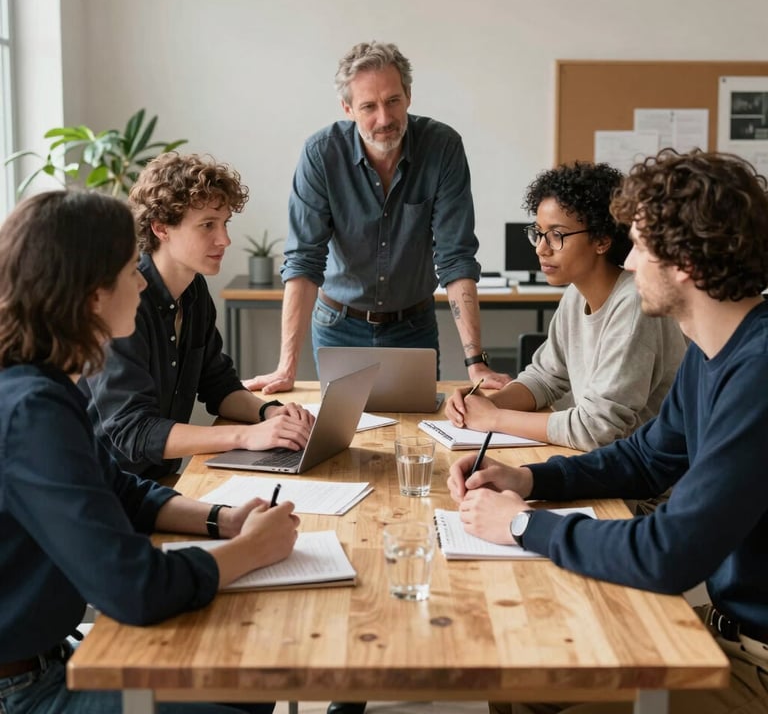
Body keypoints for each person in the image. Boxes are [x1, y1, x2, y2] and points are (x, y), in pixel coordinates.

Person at [447, 150, 768, 714]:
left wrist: (521, 525)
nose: (630, 257)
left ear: (686, 262)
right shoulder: (714, 351)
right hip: (722, 626)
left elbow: (669, 552)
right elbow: (644, 460)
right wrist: (524, 478)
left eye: (641, 244)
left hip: (755, 664)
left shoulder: (759, 372)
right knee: (519, 684)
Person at [0, 189, 300, 713]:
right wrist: (253, 550)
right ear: (92, 294)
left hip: (52, 657)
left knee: (250, 683)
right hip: (24, 691)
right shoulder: (31, 413)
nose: (140, 280)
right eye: (127, 270)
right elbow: (134, 588)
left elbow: (122, 491)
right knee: (247, 687)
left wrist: (224, 521)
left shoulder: (44, 384)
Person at [243, 41, 511, 397]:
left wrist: (475, 362)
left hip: (413, 326)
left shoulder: (442, 147)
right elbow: (304, 262)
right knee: (342, 435)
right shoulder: (321, 154)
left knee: (416, 440)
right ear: (348, 108)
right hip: (338, 325)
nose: (384, 119)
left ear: (409, 96)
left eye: (393, 101)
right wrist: (286, 367)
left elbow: (455, 256)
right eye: (369, 106)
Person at [81, 153, 314, 480]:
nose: (225, 240)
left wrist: (271, 413)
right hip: (108, 491)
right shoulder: (124, 302)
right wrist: (246, 436)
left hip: (157, 483)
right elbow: (133, 431)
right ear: (161, 229)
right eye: (207, 225)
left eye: (224, 224)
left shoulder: (194, 291)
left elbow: (218, 385)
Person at [447, 161, 687, 453]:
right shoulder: (576, 294)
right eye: (538, 232)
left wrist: (495, 418)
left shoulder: (634, 305)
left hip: (636, 490)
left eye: (557, 235)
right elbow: (545, 377)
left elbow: (597, 430)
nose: (540, 248)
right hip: (596, 463)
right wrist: (482, 404)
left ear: (601, 240)